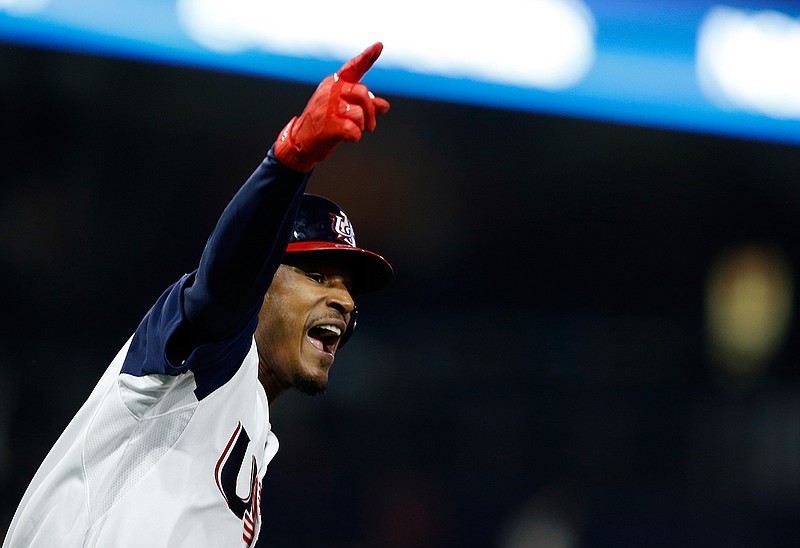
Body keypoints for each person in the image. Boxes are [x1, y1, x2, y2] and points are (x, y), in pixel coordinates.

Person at [3, 42, 392, 548]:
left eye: (349, 288)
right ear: (261, 282)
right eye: (317, 276)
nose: (344, 300)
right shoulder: (208, 362)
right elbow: (224, 285)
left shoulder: (254, 429)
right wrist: (290, 159)